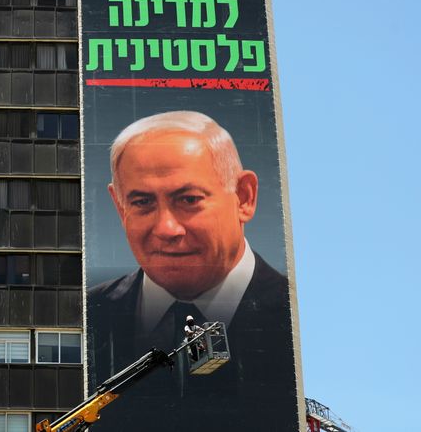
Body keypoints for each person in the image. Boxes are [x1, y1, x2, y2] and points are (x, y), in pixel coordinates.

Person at [87, 110, 296, 432]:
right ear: (119, 206)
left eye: (188, 199)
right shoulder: (88, 315)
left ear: (244, 197)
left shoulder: (291, 312)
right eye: (142, 202)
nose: (167, 228)